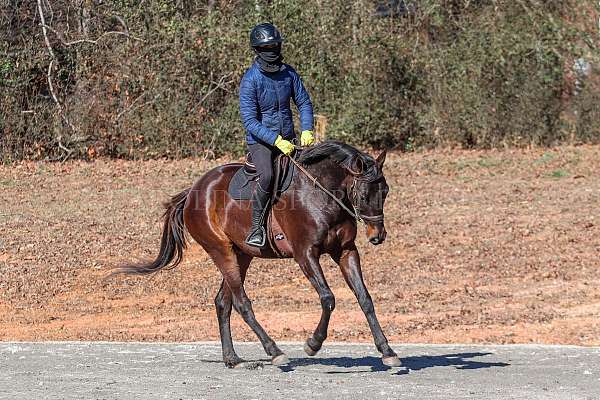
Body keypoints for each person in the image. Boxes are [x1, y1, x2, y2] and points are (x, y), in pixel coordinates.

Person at [239, 22, 315, 248]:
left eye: (275, 46)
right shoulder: (250, 80)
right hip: (262, 142)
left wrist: (308, 129)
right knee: (268, 176)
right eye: (267, 47)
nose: (272, 51)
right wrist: (276, 141)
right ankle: (256, 227)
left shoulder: (289, 73)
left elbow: (303, 101)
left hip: (290, 137)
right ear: (258, 50)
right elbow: (250, 121)